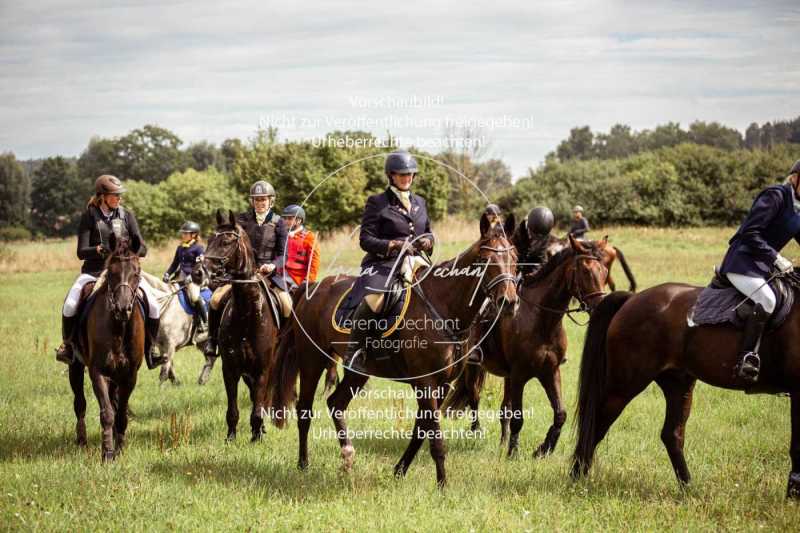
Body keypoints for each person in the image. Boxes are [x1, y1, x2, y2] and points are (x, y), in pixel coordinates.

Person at [55, 175, 165, 369]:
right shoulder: (89, 216)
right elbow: (81, 252)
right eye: (115, 195)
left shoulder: (126, 215)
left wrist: (130, 252)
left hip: (124, 273)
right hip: (95, 272)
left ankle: (151, 350)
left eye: (119, 195)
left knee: (154, 305)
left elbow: (143, 248)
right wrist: (97, 250)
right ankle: (69, 346)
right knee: (70, 305)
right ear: (103, 196)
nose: (119, 199)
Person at [343, 150, 433, 372]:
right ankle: (354, 352)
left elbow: (428, 231)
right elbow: (366, 239)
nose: (406, 178)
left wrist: (429, 242)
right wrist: (393, 244)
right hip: (383, 264)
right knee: (376, 298)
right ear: (391, 176)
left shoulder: (420, 202)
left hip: (416, 261)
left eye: (410, 174)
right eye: (401, 174)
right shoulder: (377, 202)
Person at [718, 159, 800, 383]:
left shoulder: (798, 208)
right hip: (742, 263)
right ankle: (747, 357)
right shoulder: (776, 196)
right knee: (767, 300)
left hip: (764, 267)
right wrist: (776, 257)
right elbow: (750, 233)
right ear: (795, 178)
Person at [204, 180, 292, 358]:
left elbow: (284, 255)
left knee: (287, 305)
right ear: (252, 201)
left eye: (263, 199)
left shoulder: (279, 223)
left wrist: (273, 265)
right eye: (257, 200)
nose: (260, 203)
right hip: (242, 274)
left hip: (269, 275)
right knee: (215, 300)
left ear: (270, 201)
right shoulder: (241, 221)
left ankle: (284, 343)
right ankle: (212, 341)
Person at [163, 221, 208, 331]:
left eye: (185, 233)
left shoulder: (199, 248)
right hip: (181, 277)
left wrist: (191, 277)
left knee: (194, 296)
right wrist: (168, 273)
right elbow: (175, 264)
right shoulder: (180, 248)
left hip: (195, 278)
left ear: (193, 235)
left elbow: (199, 265)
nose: (182, 235)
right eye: (182, 233)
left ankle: (203, 322)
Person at [279, 205, 320, 290]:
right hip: (278, 276)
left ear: (299, 220)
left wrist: (308, 282)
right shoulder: (280, 235)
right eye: (285, 218)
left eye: (290, 219)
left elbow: (314, 263)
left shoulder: (310, 237)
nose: (286, 221)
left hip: (296, 280)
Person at [515, 206, 556, 276]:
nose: (535, 239)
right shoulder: (517, 232)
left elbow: (541, 258)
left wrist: (535, 273)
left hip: (531, 268)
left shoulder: (545, 233)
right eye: (534, 234)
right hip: (515, 265)